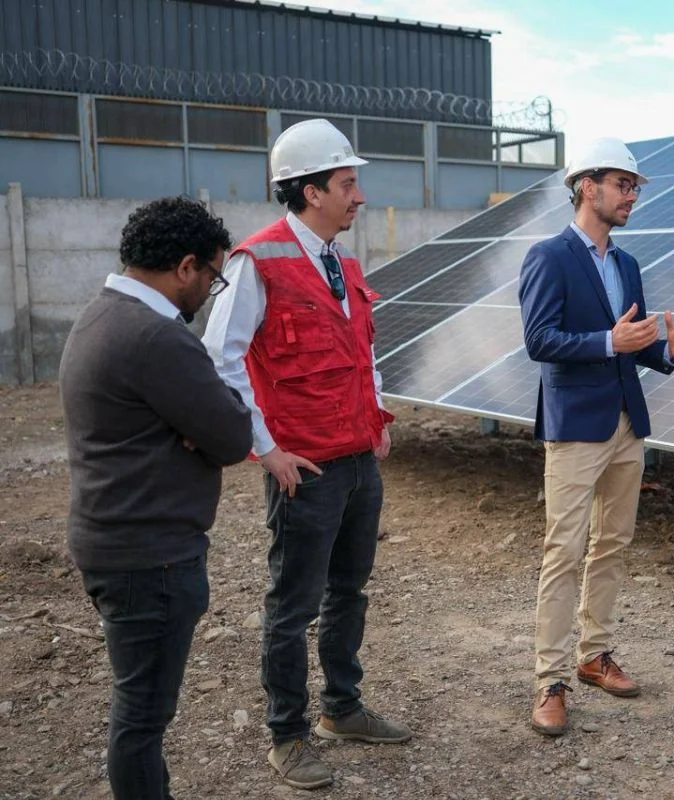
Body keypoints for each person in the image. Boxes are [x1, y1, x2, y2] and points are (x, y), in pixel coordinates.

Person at [202, 119, 405, 790]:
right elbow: (220, 359)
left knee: (349, 589)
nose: (359, 197)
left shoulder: (345, 262)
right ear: (311, 191)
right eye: (348, 184)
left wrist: (377, 416)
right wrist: (267, 450)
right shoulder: (255, 262)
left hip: (358, 460)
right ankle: (286, 735)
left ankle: (341, 709)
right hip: (306, 469)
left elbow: (362, 348)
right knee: (293, 606)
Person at [59, 197, 252, 800]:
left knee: (138, 710)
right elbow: (232, 435)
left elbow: (210, 426)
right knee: (142, 719)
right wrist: (204, 423)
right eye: (213, 276)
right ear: (186, 266)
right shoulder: (158, 338)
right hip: (152, 558)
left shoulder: (99, 316)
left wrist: (197, 423)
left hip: (115, 542)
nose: (212, 291)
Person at [518, 137, 674, 736]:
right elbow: (539, 340)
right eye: (623, 185)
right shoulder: (549, 256)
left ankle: (593, 654)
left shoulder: (626, 264)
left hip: (626, 423)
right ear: (586, 186)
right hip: (575, 427)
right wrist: (607, 342)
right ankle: (549, 681)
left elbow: (632, 342)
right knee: (564, 551)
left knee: (613, 544)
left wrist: (665, 351)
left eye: (635, 188)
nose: (631, 197)